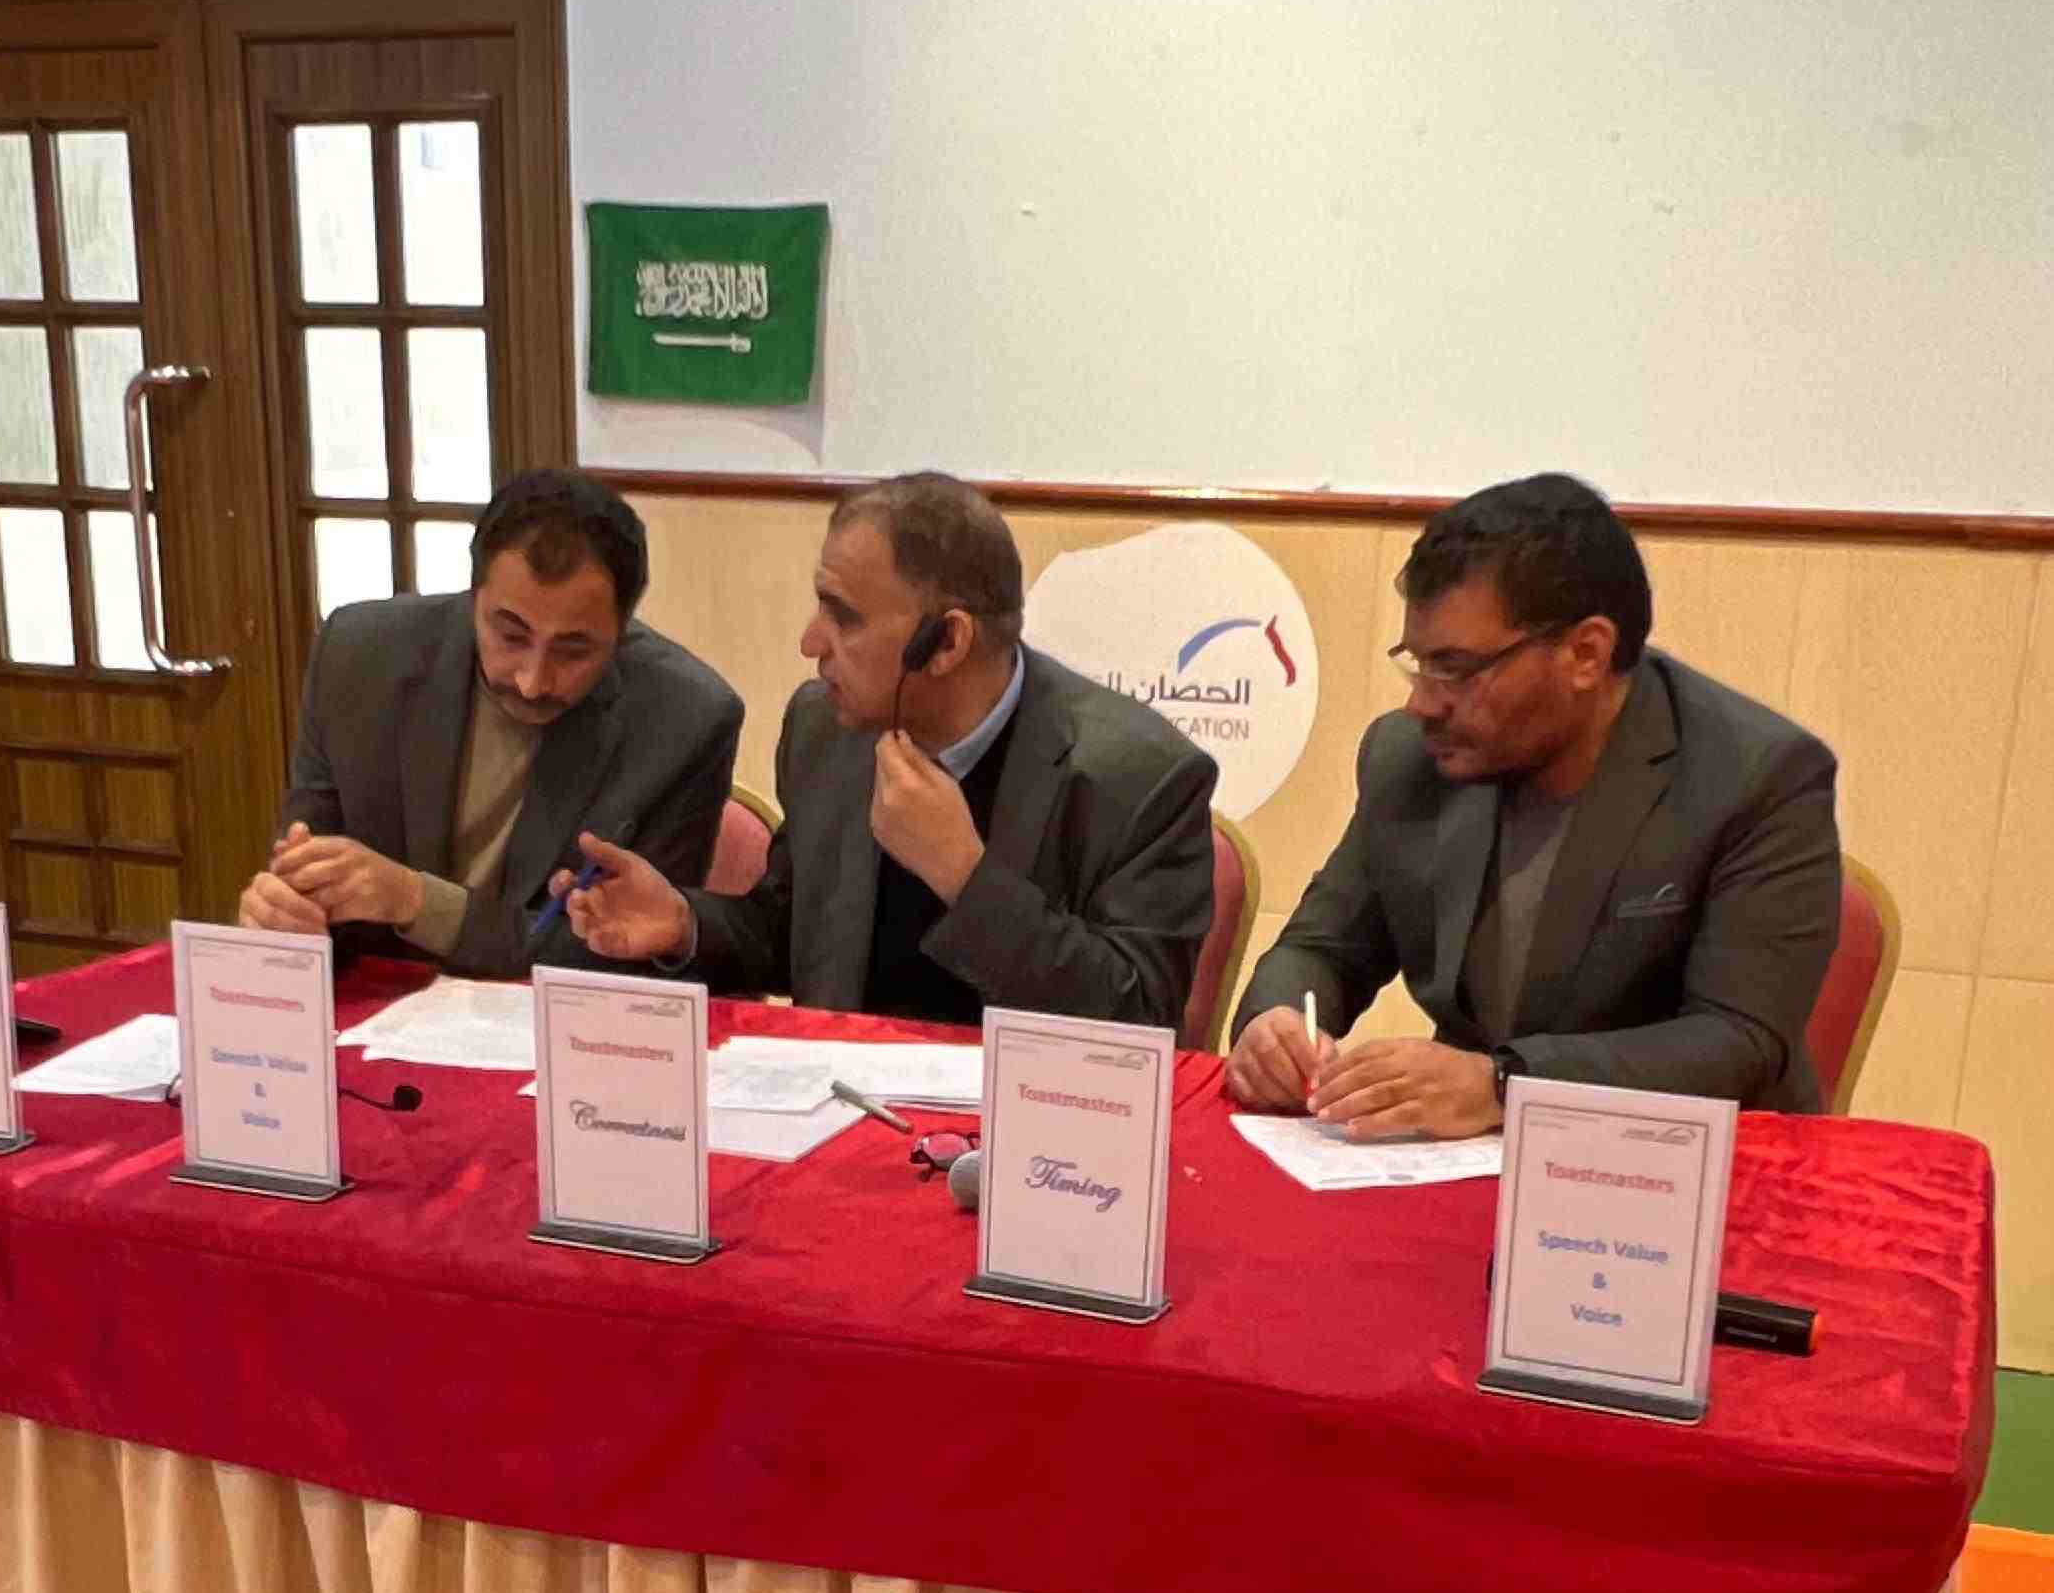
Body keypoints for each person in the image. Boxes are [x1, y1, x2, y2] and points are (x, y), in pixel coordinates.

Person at [1227, 472, 1840, 1135]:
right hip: (1468, 1156)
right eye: (1419, 663)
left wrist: (1505, 1084)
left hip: (1686, 1159)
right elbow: (1324, 948)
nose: (1422, 703)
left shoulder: (1757, 777)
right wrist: (1277, 1022)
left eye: (1457, 668)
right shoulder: (1409, 758)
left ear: (1585, 654)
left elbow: (1736, 1041)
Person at [553, 473, 1215, 1031]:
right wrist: (684, 922)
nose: (810, 642)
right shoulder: (826, 729)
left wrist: (965, 877)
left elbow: (1139, 1020)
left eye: (843, 616)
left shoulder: (1139, 778)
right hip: (849, 1106)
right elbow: (792, 934)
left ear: (947, 642)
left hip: (1030, 1127)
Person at [238, 470, 741, 975]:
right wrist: (287, 915)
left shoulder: (685, 722)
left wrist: (417, 901)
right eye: (511, 635)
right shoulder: (359, 659)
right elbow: (309, 882)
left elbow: (626, 958)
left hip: (551, 1014)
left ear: (622, 628)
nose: (532, 682)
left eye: (574, 651)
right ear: (473, 596)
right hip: (383, 1003)